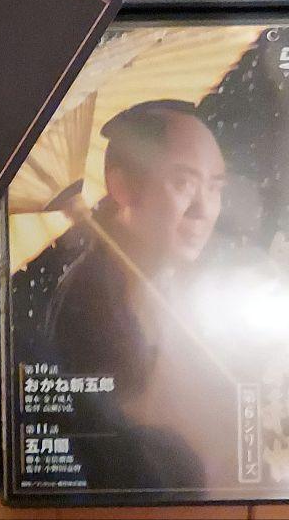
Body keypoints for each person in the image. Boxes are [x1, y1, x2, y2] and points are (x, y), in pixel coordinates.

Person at [43, 100, 229, 488]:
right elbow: (112, 443)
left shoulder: (179, 284)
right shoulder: (91, 299)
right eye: (183, 183)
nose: (203, 209)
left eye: (214, 187)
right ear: (123, 187)